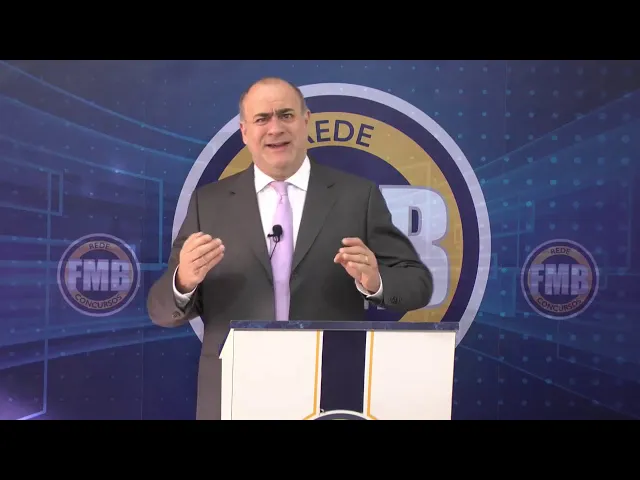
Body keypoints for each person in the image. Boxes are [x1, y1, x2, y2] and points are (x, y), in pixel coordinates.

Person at [147, 77, 433, 419]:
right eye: (262, 119)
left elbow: (417, 285)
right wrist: (184, 281)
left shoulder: (357, 196)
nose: (275, 128)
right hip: (237, 393)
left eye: (286, 115)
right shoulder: (208, 204)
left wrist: (376, 282)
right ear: (244, 132)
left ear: (305, 120)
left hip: (329, 392)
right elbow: (160, 309)